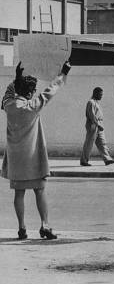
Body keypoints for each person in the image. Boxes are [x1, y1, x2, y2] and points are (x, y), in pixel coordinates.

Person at [2, 61, 71, 240]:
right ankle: (44, 225)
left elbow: (9, 93)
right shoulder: (33, 106)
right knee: (40, 191)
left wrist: (17, 77)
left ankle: (22, 228)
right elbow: (51, 90)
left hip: (16, 158)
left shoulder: (9, 105)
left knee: (19, 194)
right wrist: (63, 73)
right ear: (31, 92)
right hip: (33, 156)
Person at [80, 87, 114, 166]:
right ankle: (84, 161)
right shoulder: (91, 102)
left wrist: (100, 124)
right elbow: (92, 115)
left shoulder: (96, 102)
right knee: (89, 143)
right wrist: (98, 125)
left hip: (99, 124)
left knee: (102, 143)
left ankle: (107, 159)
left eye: (102, 94)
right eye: (100, 94)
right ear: (95, 93)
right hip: (93, 125)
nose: (101, 96)